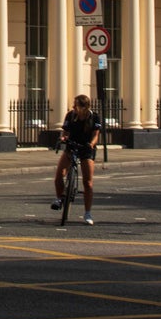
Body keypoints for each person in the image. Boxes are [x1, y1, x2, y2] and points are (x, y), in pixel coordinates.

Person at [52, 93, 101, 225]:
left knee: (88, 182)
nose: (73, 106)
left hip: (86, 148)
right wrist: (63, 138)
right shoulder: (70, 115)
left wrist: (91, 144)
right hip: (71, 146)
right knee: (59, 176)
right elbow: (66, 131)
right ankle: (60, 198)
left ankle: (87, 213)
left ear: (84, 107)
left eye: (76, 105)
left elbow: (96, 135)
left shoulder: (94, 117)